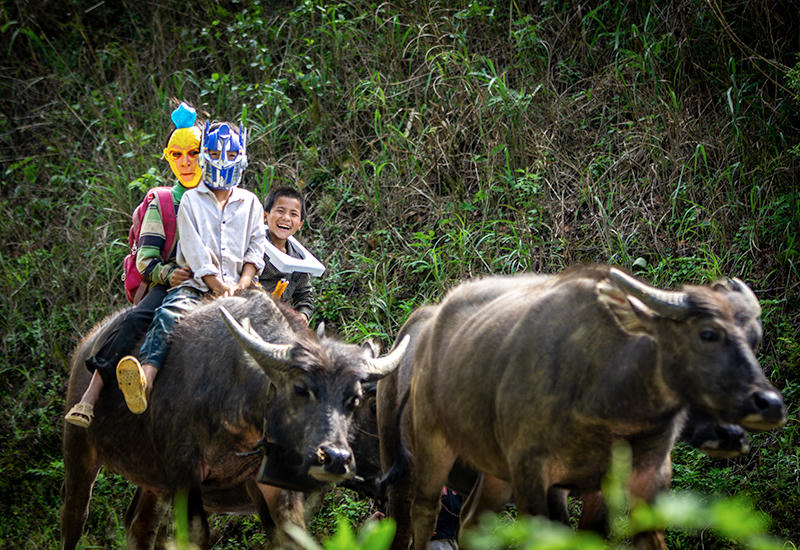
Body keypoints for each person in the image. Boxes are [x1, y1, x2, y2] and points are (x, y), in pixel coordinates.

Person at [64, 101, 202, 428]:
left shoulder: (221, 200)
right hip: (171, 283)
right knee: (138, 318)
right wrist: (171, 274)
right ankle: (92, 393)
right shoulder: (163, 202)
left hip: (213, 281)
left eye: (194, 153)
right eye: (177, 155)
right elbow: (146, 260)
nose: (185, 162)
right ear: (168, 157)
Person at [115, 118, 267, 414]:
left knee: (276, 321)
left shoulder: (250, 202)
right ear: (205, 156)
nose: (223, 161)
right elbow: (194, 250)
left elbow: (256, 248)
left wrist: (242, 283)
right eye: (215, 153)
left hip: (243, 285)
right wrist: (217, 285)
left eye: (231, 154)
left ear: (242, 157)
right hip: (197, 287)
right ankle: (146, 378)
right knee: (168, 315)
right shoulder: (191, 201)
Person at [259, 186, 314, 325]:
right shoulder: (255, 246)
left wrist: (303, 314)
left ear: (300, 224)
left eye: (294, 214)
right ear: (265, 216)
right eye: (280, 211)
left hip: (280, 321)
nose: (286, 218)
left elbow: (304, 294)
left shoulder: (298, 258)